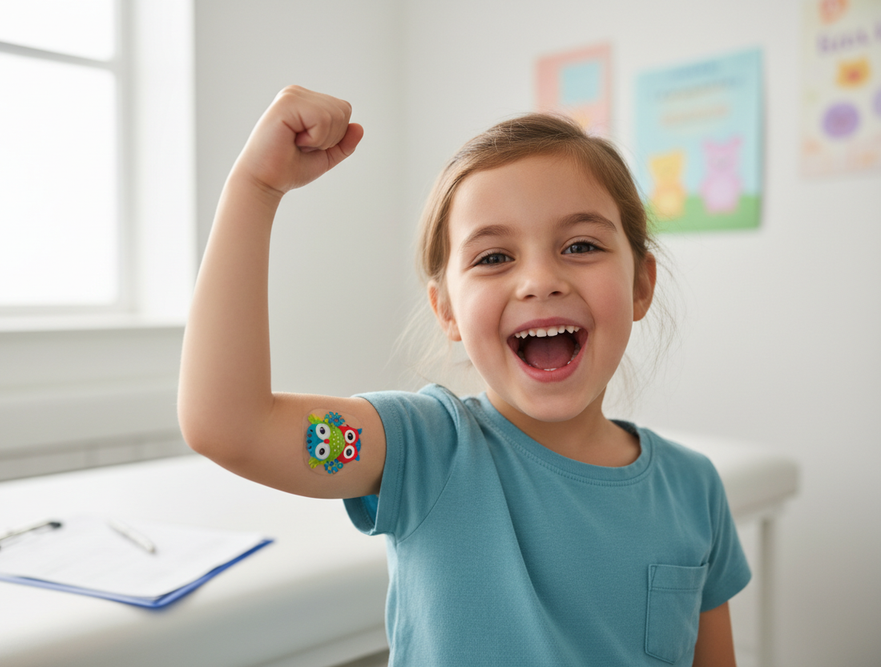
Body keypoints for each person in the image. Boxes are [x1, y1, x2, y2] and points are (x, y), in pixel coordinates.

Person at [179, 85, 751, 666]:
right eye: (494, 257)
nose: (539, 281)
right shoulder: (424, 450)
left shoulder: (695, 490)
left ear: (640, 285)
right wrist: (255, 188)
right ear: (447, 309)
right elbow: (231, 426)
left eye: (580, 246)